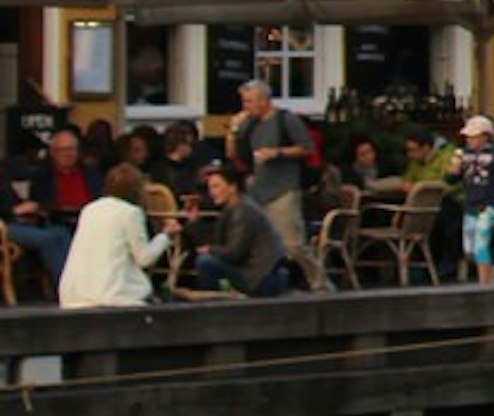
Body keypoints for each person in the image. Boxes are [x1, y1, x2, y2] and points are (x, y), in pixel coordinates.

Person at [59, 161, 172, 307]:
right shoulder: (130, 213)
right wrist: (165, 235)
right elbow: (144, 258)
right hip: (109, 294)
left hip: (74, 293)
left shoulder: (90, 209)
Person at [231, 78, 321, 257]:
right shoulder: (249, 124)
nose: (245, 106)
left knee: (293, 246)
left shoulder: (286, 119)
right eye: (244, 101)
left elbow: (307, 148)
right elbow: (236, 156)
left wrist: (277, 152)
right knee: (260, 244)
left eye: (249, 101)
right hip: (258, 190)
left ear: (264, 100)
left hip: (283, 189)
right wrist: (233, 131)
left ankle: (319, 282)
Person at [181, 163, 298, 298]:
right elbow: (219, 242)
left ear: (232, 187)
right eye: (210, 188)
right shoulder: (231, 209)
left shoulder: (243, 211)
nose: (212, 192)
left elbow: (235, 252)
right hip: (253, 271)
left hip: (261, 276)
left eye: (216, 186)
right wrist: (194, 223)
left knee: (205, 262)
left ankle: (212, 304)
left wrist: (210, 249)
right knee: (207, 259)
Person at [9, 123, 100, 286]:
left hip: (91, 220)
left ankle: (92, 285)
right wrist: (14, 210)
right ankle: (70, 286)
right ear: (52, 153)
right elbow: (39, 204)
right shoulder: (43, 176)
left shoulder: (91, 173)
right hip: (58, 220)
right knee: (57, 234)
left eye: (71, 149)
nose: (68, 154)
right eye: (63, 150)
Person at [452, 114, 494, 282]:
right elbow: (452, 179)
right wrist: (454, 169)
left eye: (474, 137)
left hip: (489, 204)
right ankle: (493, 271)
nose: (470, 141)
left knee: (481, 243)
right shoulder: (463, 154)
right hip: (470, 204)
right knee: (469, 248)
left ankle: (484, 283)